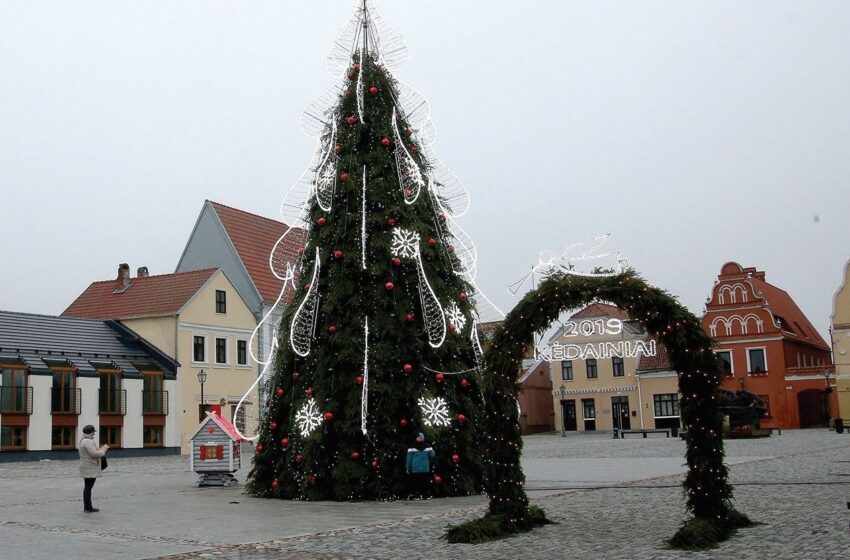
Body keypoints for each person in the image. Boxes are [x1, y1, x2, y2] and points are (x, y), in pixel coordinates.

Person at [78, 424, 108, 512]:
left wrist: (98, 449)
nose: (94, 434)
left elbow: (91, 452)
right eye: (93, 432)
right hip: (90, 466)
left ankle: (87, 506)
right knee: (88, 487)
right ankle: (88, 507)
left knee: (87, 487)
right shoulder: (88, 441)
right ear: (90, 432)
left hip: (86, 465)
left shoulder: (83, 440)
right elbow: (94, 454)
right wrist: (103, 451)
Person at [405, 432, 435, 499]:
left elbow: (409, 459)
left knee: (416, 482)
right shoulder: (428, 446)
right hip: (425, 468)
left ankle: (416, 495)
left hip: (415, 469)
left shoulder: (412, 447)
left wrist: (408, 468)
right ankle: (426, 495)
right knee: (425, 482)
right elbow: (432, 456)